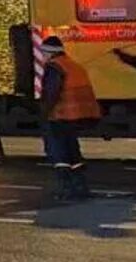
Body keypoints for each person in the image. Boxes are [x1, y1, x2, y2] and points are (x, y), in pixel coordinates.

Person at [37, 35, 102, 199]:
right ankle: (81, 187)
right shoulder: (74, 66)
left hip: (60, 115)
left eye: (44, 52)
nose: (43, 56)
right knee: (73, 152)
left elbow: (51, 93)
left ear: (49, 52)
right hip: (78, 116)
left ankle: (66, 189)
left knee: (59, 153)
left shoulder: (54, 67)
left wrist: (43, 114)